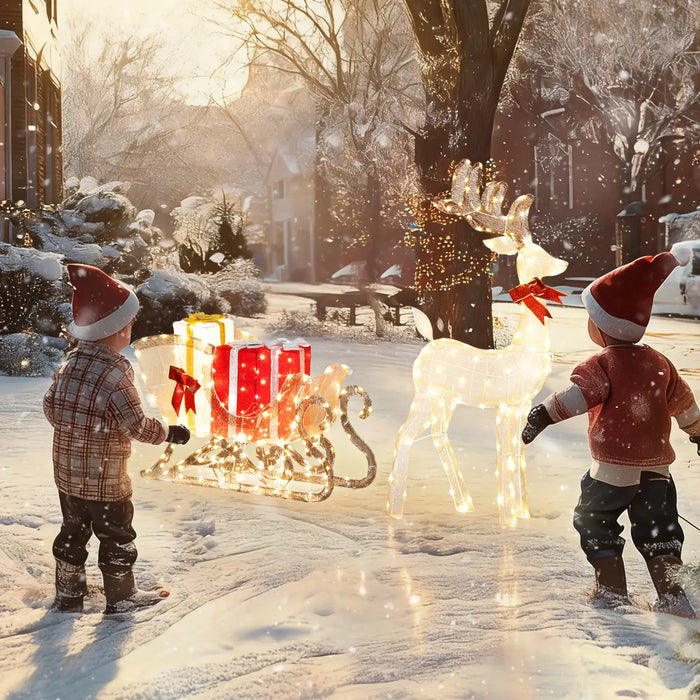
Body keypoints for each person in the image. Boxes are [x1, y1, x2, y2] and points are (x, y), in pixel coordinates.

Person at [522, 253, 700, 618]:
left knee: (594, 521)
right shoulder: (660, 363)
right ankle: (673, 598)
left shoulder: (601, 364)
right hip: (657, 471)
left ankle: (612, 591)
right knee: (660, 531)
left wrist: (541, 415)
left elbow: (575, 399)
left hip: (611, 470)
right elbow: (684, 405)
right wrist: (698, 433)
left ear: (603, 327)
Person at [44, 264, 191, 614]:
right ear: (114, 330)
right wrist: (169, 432)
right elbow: (135, 426)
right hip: (106, 483)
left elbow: (51, 408)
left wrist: (75, 429)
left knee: (72, 533)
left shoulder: (69, 364)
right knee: (116, 537)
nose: (131, 330)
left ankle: (69, 592)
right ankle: (121, 595)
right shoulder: (116, 372)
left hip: (68, 478)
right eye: (129, 325)